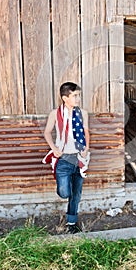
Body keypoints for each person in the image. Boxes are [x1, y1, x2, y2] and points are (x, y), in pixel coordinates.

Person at [44, 82, 90, 234]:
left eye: (79, 95)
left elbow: (86, 132)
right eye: (75, 96)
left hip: (79, 158)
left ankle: (72, 223)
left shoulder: (82, 113)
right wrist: (54, 148)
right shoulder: (55, 114)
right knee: (65, 192)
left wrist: (86, 149)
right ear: (65, 98)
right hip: (63, 159)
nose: (78, 98)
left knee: (76, 194)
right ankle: (66, 190)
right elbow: (47, 132)